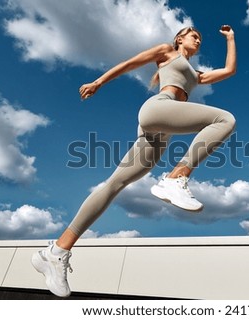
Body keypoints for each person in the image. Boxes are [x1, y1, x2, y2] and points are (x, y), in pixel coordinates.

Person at [32, 25, 237, 297]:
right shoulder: (166, 52)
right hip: (158, 109)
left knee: (114, 184)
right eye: (194, 35)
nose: (198, 40)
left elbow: (229, 71)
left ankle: (57, 251)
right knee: (225, 119)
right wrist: (98, 82)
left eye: (200, 38)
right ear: (179, 39)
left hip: (161, 133)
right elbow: (129, 64)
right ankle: (176, 177)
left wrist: (231, 39)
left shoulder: (197, 76)